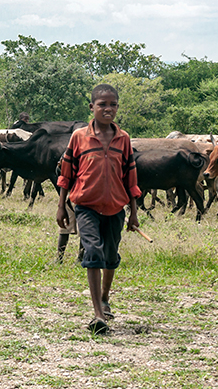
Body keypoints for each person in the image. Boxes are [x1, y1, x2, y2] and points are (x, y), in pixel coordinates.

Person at [56, 83, 141, 335]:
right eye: (102, 104)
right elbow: (66, 174)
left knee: (111, 256)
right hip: (86, 206)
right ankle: (97, 314)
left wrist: (133, 212)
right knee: (92, 251)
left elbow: (131, 178)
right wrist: (62, 206)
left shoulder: (123, 139)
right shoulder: (79, 137)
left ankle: (105, 298)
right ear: (91, 107)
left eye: (113, 104)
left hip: (116, 206)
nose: (108, 108)